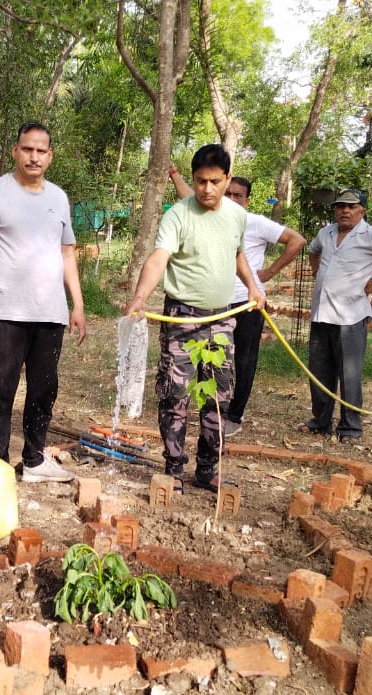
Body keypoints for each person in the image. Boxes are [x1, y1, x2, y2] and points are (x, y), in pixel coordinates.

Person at [123, 144, 265, 492]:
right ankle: (173, 469)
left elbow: (237, 255)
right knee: (175, 396)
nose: (207, 189)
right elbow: (158, 258)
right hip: (182, 318)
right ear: (193, 178)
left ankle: (207, 468)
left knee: (219, 397)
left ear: (227, 178)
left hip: (223, 320)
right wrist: (140, 297)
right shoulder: (178, 215)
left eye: (215, 181)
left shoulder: (236, 216)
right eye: (200, 181)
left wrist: (253, 287)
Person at [0, 122, 86, 482]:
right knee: (2, 390)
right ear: (15, 151)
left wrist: (76, 304)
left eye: (41, 150)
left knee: (44, 389)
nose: (34, 156)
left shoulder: (58, 198)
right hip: (8, 312)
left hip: (50, 313)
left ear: (50, 156)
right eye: (27, 149)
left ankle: (33, 460)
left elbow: (67, 254)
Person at [168, 170, 306, 437]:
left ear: (247, 200)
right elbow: (188, 197)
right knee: (208, 357)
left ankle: (234, 415)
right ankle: (210, 408)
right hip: (213, 302)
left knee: (243, 360)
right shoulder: (207, 218)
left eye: (238, 196)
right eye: (228, 193)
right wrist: (174, 174)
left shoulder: (254, 222)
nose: (231, 199)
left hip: (246, 304)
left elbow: (296, 241)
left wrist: (267, 274)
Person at [298, 189, 372, 444]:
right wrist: (316, 269)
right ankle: (320, 422)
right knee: (319, 373)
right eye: (340, 206)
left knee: (349, 374)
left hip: (350, 317)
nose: (345, 211)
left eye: (351, 207)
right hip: (321, 314)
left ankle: (350, 428)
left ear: (362, 211)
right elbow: (313, 250)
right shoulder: (326, 233)